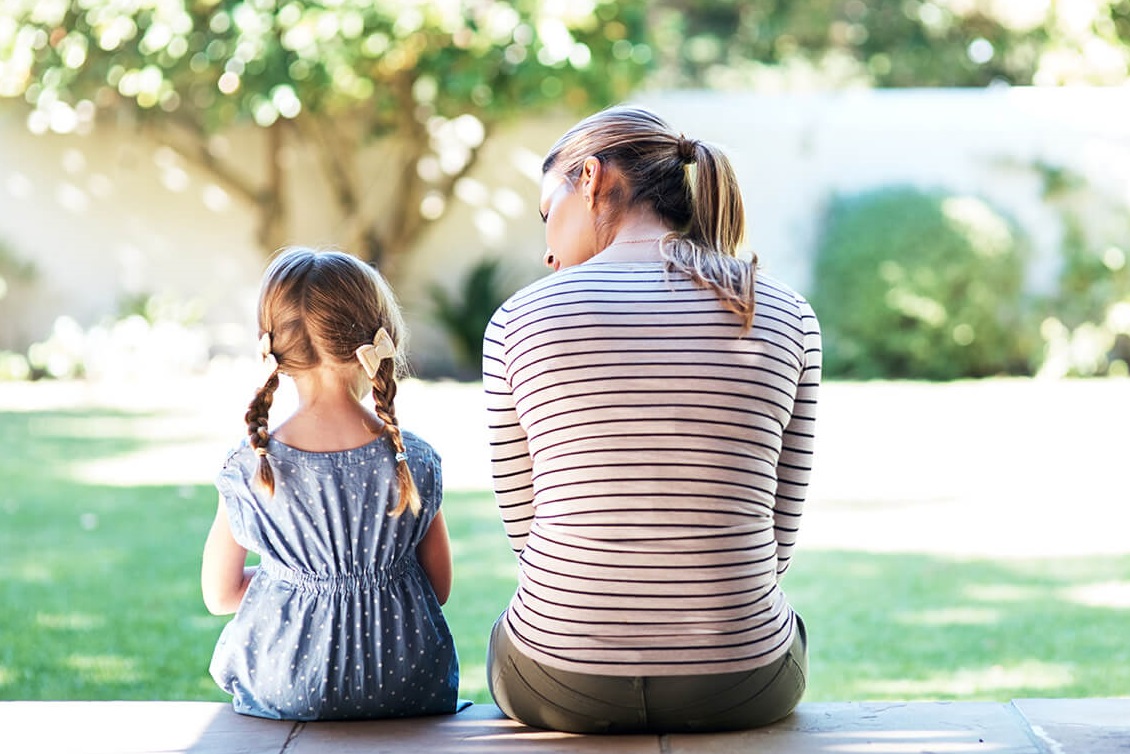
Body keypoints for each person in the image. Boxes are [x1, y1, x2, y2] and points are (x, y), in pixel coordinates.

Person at [482, 104, 822, 734]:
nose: (547, 249)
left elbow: (527, 535)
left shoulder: (519, 320)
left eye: (545, 212)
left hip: (559, 680)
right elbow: (777, 537)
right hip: (741, 680)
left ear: (589, 178)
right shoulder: (783, 312)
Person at [201, 246, 460, 721]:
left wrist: (296, 577)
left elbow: (220, 595)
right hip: (406, 685)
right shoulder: (414, 459)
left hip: (287, 686)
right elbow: (438, 586)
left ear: (273, 349)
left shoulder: (251, 466)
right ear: (380, 340)